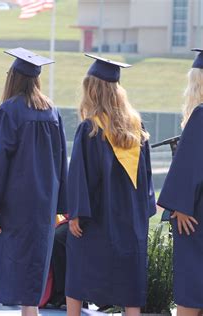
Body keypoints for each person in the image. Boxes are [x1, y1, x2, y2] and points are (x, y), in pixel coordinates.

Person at [0, 47, 68, 316]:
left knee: (14, 258)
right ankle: (31, 311)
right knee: (36, 259)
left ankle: (28, 312)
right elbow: (62, 161)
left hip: (14, 203)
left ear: (13, 78)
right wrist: (60, 203)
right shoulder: (52, 112)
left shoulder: (10, 110)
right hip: (44, 202)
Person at [65, 54, 156, 316]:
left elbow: (80, 175)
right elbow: (146, 179)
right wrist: (141, 213)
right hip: (130, 218)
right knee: (130, 275)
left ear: (92, 90)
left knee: (79, 270)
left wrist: (76, 214)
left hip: (96, 218)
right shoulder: (136, 128)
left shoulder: (90, 129)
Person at [157, 48, 203, 315]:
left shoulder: (200, 115)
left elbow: (190, 165)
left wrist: (180, 205)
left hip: (196, 215)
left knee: (192, 282)